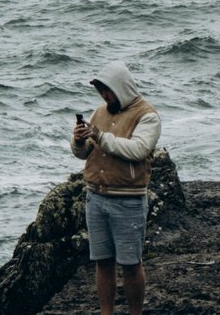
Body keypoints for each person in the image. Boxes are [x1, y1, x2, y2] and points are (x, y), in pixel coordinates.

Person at [72, 61, 161, 315]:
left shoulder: (147, 115)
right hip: (95, 197)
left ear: (121, 87)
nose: (104, 96)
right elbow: (85, 152)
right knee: (102, 262)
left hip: (128, 200)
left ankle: (135, 313)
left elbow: (137, 150)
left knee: (131, 264)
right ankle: (106, 313)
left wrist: (100, 136)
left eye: (107, 91)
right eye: (101, 91)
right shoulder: (99, 112)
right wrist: (79, 142)